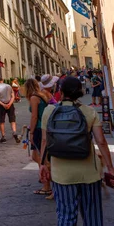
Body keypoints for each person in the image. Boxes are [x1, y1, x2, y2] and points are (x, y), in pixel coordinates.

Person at [40, 77, 114, 226]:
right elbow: (101, 142)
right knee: (92, 217)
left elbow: (44, 141)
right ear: (80, 92)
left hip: (62, 175)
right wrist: (110, 167)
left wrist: (43, 164)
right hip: (89, 174)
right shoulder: (89, 112)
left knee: (66, 216)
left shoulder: (49, 111)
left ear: (60, 91)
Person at [25, 78, 52, 196]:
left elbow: (34, 116)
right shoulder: (42, 95)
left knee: (40, 157)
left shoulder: (33, 98)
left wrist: (31, 132)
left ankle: (47, 185)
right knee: (38, 156)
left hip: (39, 129)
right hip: (44, 127)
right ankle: (47, 180)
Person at [0, 76, 20, 143]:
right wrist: (10, 104)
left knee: (2, 121)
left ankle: (3, 137)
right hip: (10, 104)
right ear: (2, 79)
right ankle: (14, 132)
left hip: (2, 105)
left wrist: (3, 104)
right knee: (12, 120)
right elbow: (13, 96)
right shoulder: (9, 86)